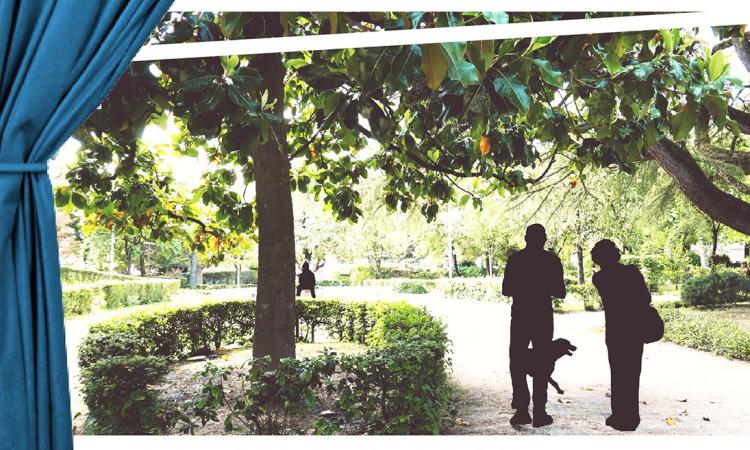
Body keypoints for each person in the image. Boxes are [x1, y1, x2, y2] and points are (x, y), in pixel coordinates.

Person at [502, 224, 566, 427]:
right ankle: (540, 412)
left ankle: (522, 410)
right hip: (543, 317)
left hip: (521, 316)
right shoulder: (552, 261)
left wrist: (524, 287)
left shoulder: (515, 260)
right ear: (544, 239)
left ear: (526, 238)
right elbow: (561, 292)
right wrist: (543, 286)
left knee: (517, 362)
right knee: (542, 363)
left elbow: (506, 290)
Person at [591, 239, 650, 431]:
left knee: (618, 374)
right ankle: (632, 417)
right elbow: (646, 298)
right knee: (633, 373)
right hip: (634, 329)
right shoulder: (632, 272)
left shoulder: (599, 278)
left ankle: (618, 415)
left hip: (616, 331)